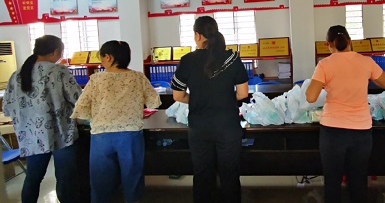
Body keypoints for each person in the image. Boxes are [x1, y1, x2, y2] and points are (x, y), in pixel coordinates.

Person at [306, 25, 385, 203]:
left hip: (333, 131)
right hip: (361, 130)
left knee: (332, 181)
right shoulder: (366, 62)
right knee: (358, 180)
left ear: (328, 44)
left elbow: (310, 97)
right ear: (349, 42)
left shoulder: (324, 64)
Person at [170, 16, 249, 203]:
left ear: (198, 35)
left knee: (202, 174)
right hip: (228, 126)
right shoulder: (232, 58)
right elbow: (243, 94)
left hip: (199, 127)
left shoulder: (187, 60)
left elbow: (178, 96)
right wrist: (223, 99)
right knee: (230, 173)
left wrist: (199, 100)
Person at [71, 40, 160, 203]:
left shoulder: (96, 80)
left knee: (100, 179)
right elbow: (154, 102)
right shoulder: (138, 77)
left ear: (108, 57)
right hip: (130, 135)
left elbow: (81, 109)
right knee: (132, 176)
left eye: (101, 57)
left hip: (101, 136)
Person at [2, 35, 82, 203]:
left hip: (31, 137)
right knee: (66, 179)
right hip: (62, 135)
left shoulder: (16, 74)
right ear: (56, 51)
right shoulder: (59, 71)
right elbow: (78, 100)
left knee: (32, 178)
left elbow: (7, 108)